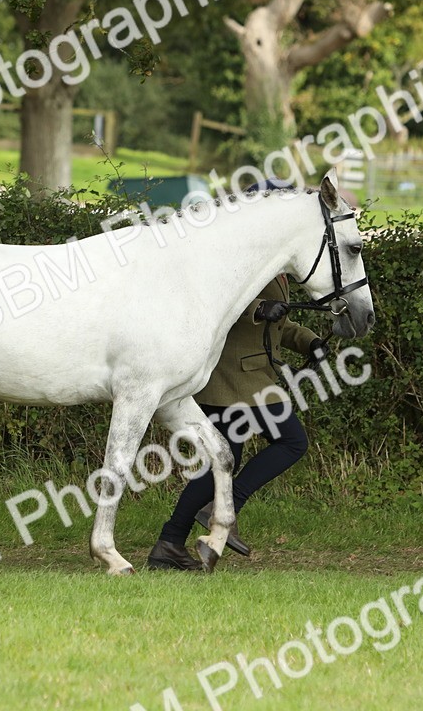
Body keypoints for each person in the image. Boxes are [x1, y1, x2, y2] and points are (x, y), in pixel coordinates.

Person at [147, 182, 330, 572]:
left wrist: (310, 342)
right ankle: (224, 507)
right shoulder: (238, 252)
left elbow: (281, 321)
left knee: (220, 462)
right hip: (236, 378)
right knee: (293, 442)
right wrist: (260, 310)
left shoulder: (274, 259)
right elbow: (224, 299)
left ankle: (169, 542)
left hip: (249, 376)